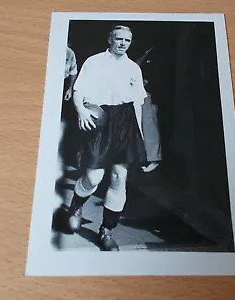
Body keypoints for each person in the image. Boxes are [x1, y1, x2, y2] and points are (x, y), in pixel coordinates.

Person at [54, 25, 147, 251]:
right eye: (119, 39)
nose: (123, 43)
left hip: (125, 122)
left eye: (127, 40)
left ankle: (106, 230)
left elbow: (138, 103)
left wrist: (140, 134)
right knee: (94, 178)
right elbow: (78, 91)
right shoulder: (93, 62)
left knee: (118, 178)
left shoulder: (133, 68)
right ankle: (75, 207)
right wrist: (82, 111)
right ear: (110, 39)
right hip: (100, 120)